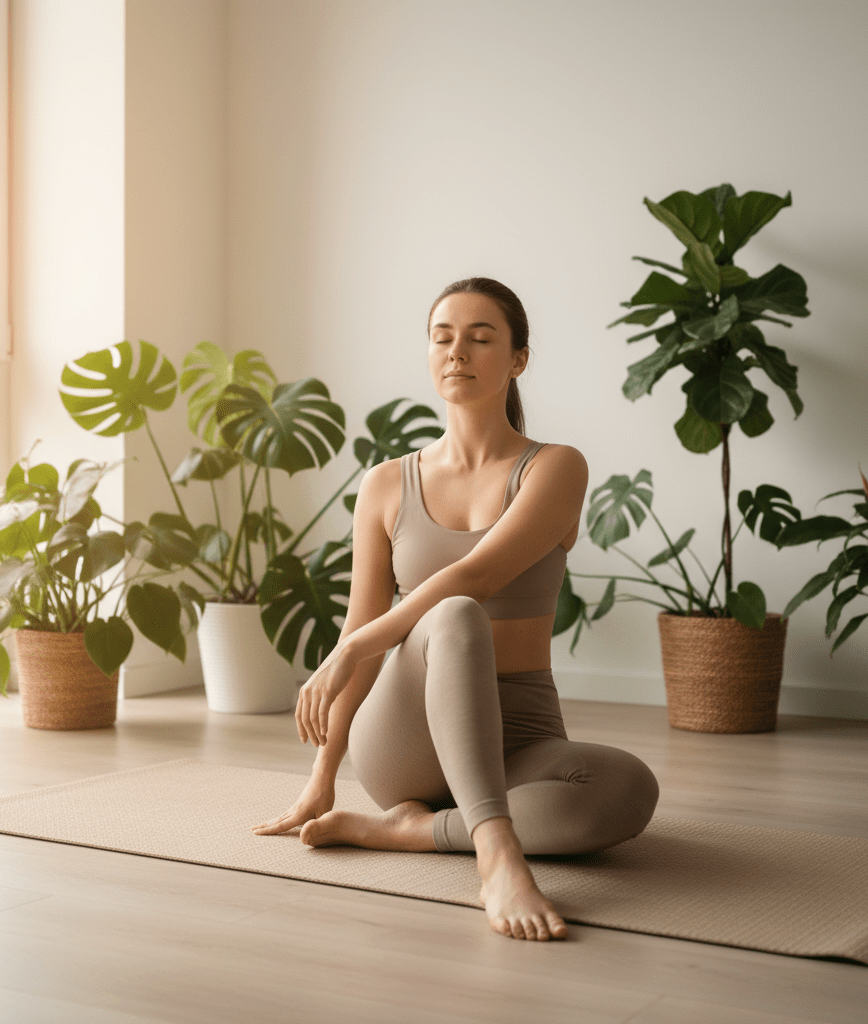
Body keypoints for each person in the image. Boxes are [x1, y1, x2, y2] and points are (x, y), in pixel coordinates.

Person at [252, 278, 660, 941]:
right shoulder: (387, 484)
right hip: (405, 743)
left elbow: (481, 570)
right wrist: (322, 777)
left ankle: (412, 831)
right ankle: (497, 856)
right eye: (443, 337)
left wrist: (351, 648)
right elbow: (365, 624)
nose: (457, 352)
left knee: (626, 790)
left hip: (520, 733)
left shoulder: (554, 467)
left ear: (518, 359)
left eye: (480, 338)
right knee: (453, 614)